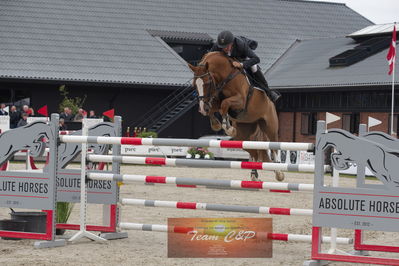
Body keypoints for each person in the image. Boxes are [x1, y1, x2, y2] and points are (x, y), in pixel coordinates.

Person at [210, 30, 281, 102]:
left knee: (254, 68)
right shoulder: (217, 46)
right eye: (223, 47)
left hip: (242, 58)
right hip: (228, 60)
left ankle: (269, 92)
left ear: (232, 43)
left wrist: (241, 64)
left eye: (227, 46)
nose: (225, 48)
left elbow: (256, 59)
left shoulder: (240, 44)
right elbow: (209, 57)